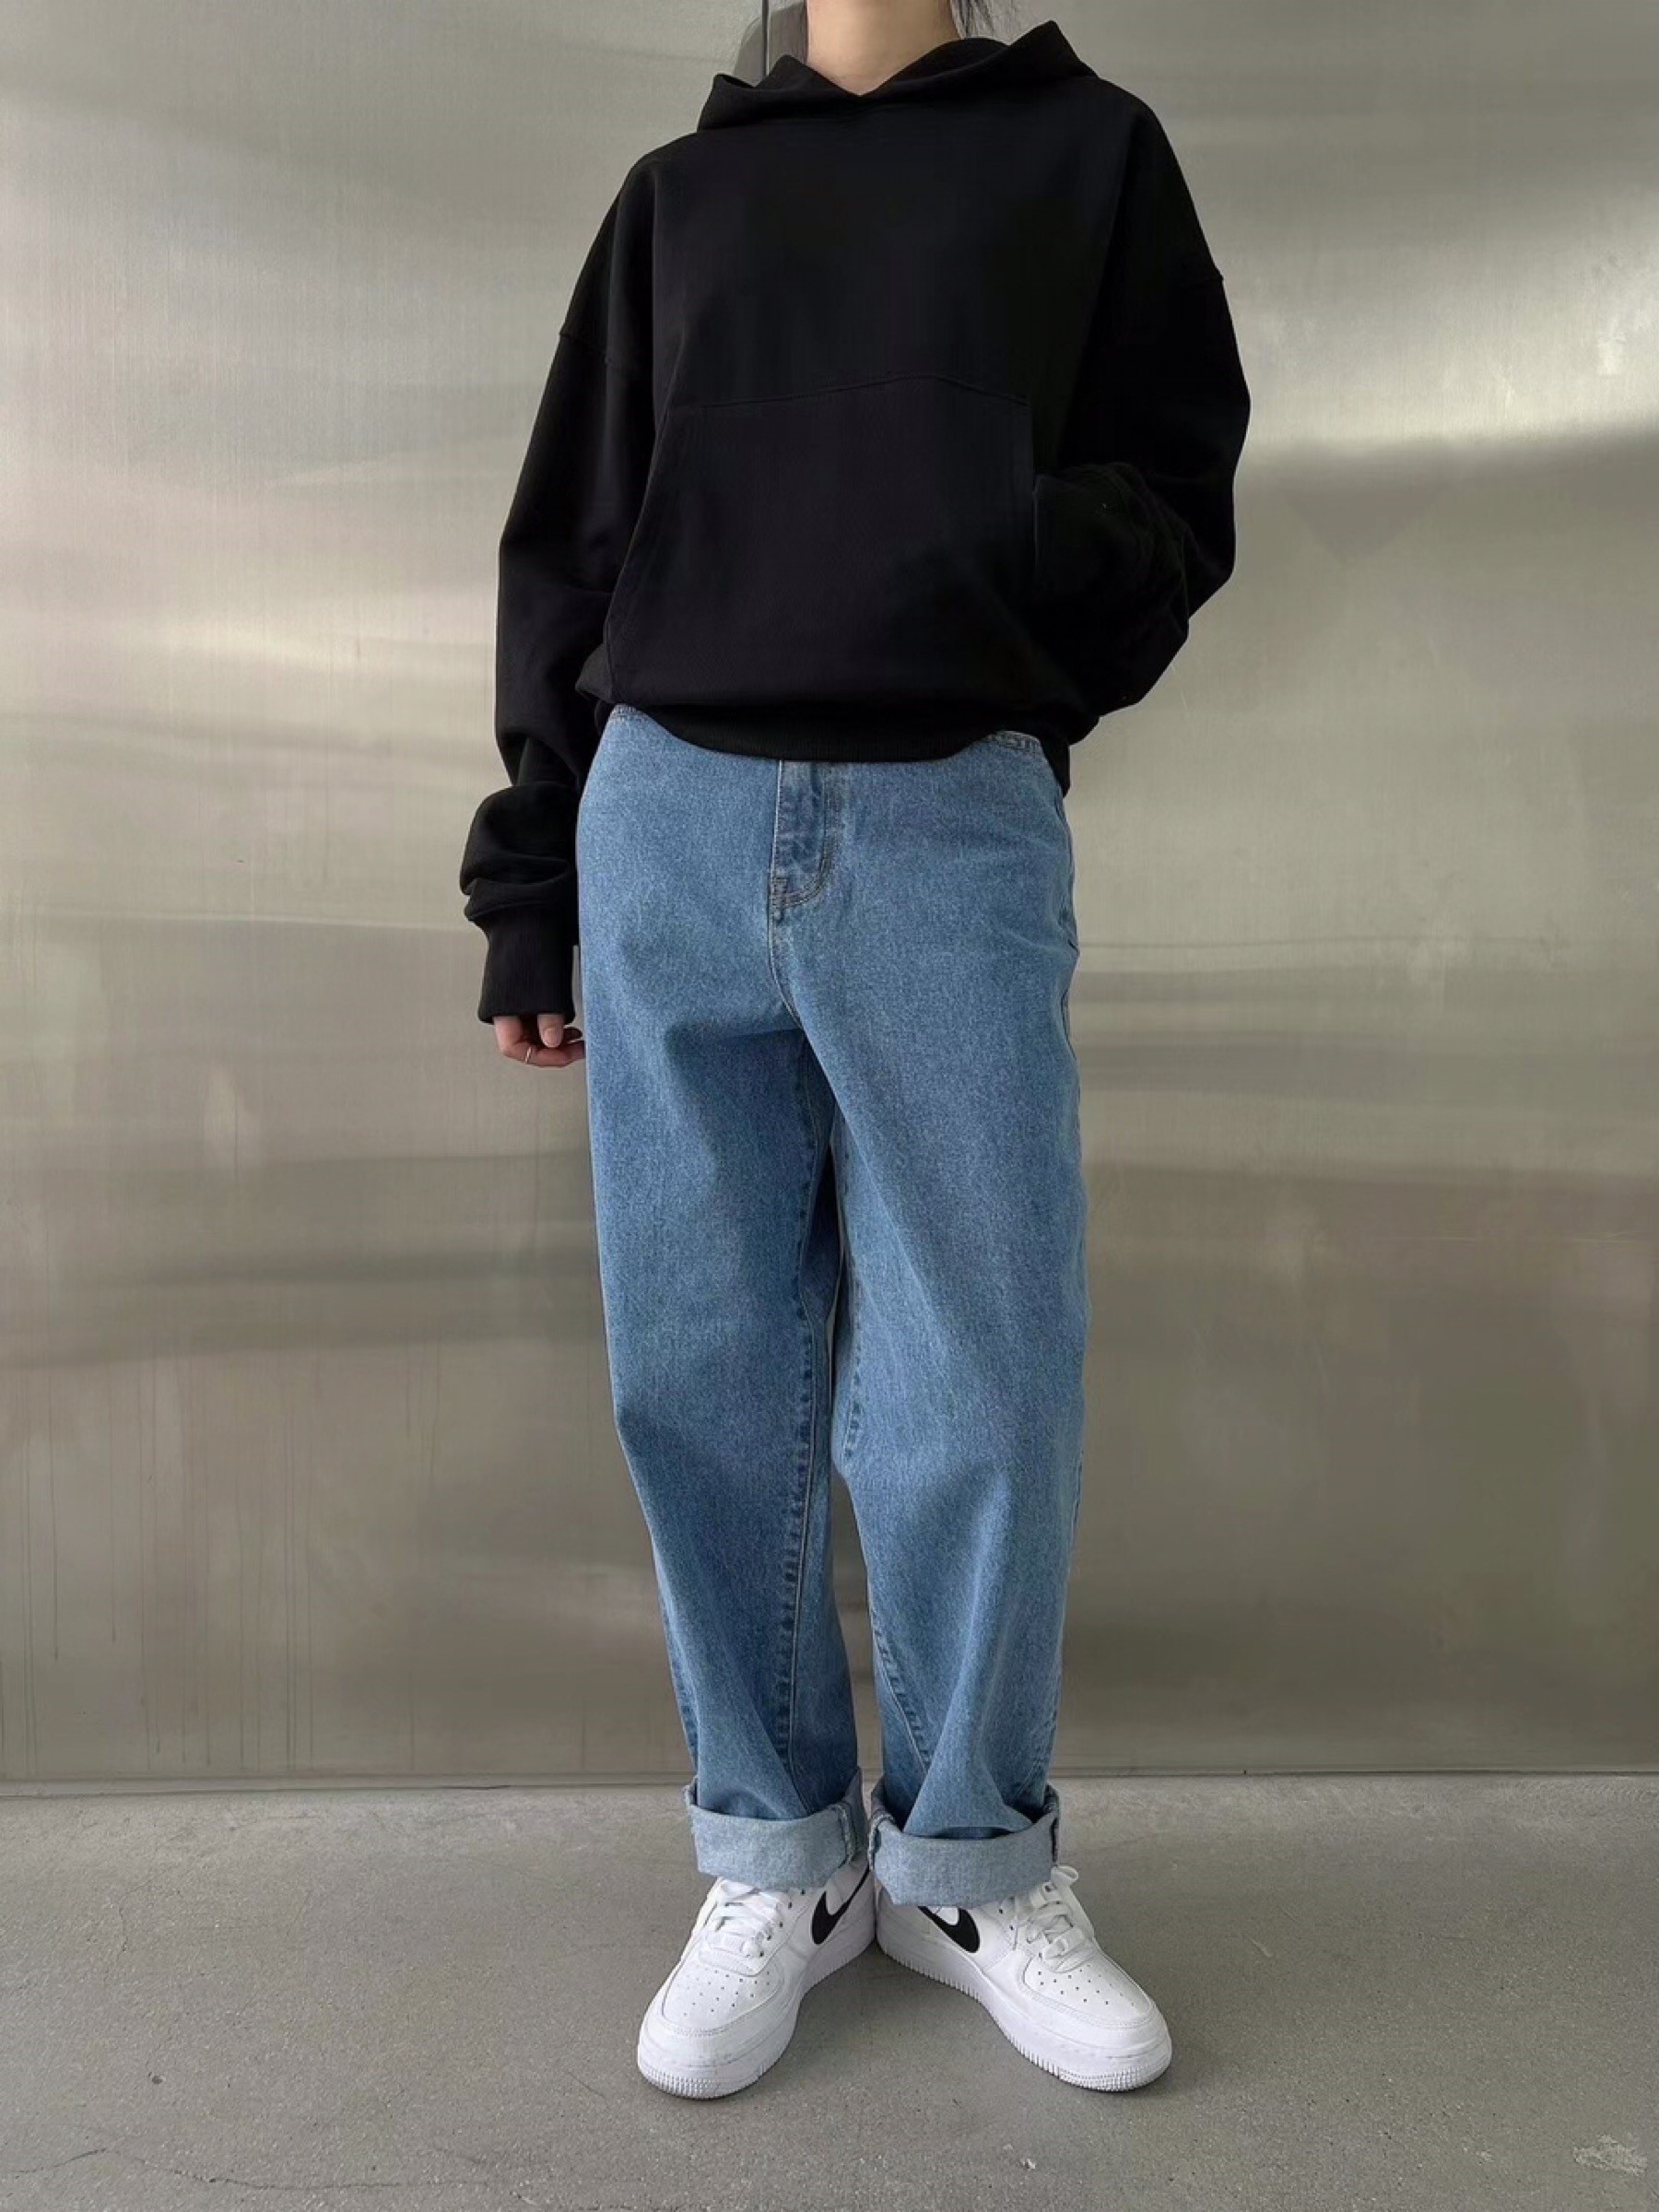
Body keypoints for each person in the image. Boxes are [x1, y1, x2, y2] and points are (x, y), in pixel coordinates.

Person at [458, 0, 1249, 2100]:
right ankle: (778, 1858)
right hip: (669, 813)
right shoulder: (679, 200)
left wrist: (981, 537)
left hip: (944, 814)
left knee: (987, 1358)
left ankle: (971, 1863)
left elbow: (1177, 485)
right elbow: (573, 545)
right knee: (699, 1361)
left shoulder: (1090, 156)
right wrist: (531, 879)